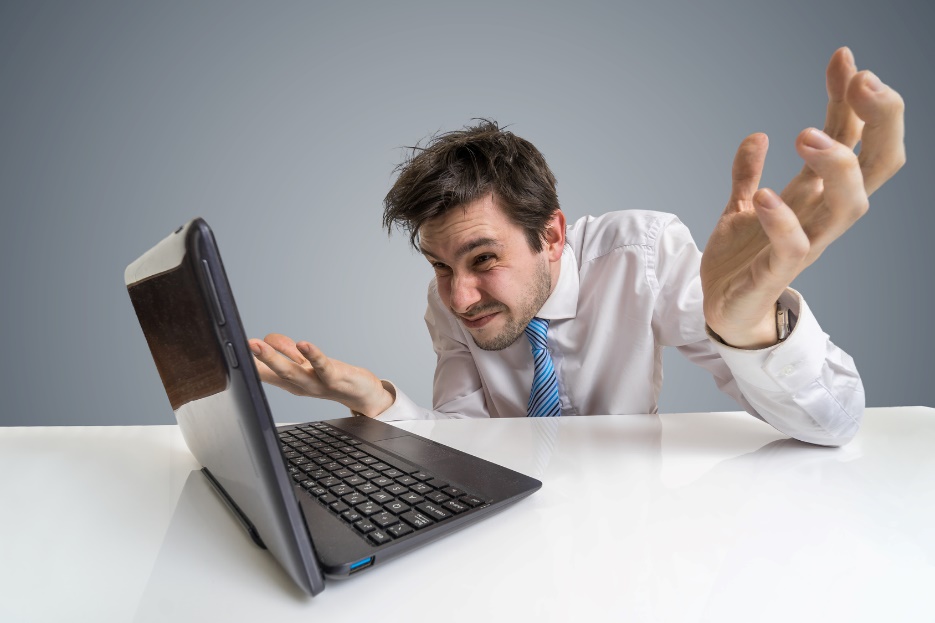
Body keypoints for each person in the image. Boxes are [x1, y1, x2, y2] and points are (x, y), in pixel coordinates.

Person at [249, 47, 905, 446]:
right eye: (439, 265)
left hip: (634, 544)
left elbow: (833, 425)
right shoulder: (447, 300)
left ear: (552, 234)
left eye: (483, 259)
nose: (458, 295)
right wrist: (373, 400)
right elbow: (460, 442)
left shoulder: (643, 255)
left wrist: (749, 331)